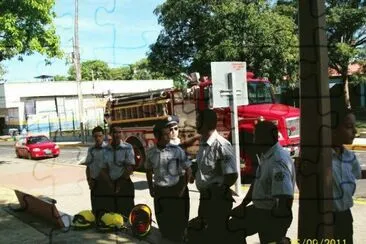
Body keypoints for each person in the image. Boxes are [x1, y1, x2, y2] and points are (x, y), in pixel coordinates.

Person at [228, 120, 295, 244]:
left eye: (257, 137)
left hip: (271, 215)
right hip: (260, 210)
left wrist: (278, 229)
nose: (254, 141)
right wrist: (243, 205)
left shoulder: (277, 161)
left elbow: (284, 198)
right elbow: (256, 182)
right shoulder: (266, 156)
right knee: (232, 228)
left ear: (268, 138)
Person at [187, 108, 238, 243]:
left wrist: (218, 191)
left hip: (217, 200)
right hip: (205, 199)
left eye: (199, 121)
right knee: (204, 234)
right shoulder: (204, 143)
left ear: (208, 123)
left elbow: (232, 174)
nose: (196, 123)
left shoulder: (221, 145)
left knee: (216, 236)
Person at [145, 119, 192, 242]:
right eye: (165, 134)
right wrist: (151, 187)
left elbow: (188, 169)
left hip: (175, 191)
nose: (169, 136)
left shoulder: (177, 150)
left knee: (178, 225)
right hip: (160, 192)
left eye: (169, 133)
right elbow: (148, 170)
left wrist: (182, 189)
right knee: (164, 225)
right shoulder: (151, 152)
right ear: (157, 136)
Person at [329, 95, 361, 244]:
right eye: (349, 127)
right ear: (332, 129)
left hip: (345, 216)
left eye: (354, 127)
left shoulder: (350, 157)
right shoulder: (322, 159)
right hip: (327, 218)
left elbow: (354, 182)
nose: (354, 132)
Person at [104, 125, 136, 219]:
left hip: (124, 184)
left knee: (126, 214)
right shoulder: (105, 149)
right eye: (114, 132)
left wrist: (118, 184)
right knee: (113, 215)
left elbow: (129, 167)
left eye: (119, 132)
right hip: (110, 185)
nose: (117, 135)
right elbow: (104, 168)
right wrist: (110, 184)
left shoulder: (128, 147)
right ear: (110, 134)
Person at [85, 126, 113, 221]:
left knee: (107, 209)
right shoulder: (91, 150)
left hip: (105, 183)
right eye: (95, 136)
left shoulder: (109, 149)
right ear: (93, 137)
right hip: (94, 184)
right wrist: (89, 181)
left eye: (100, 136)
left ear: (103, 136)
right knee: (96, 208)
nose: (98, 138)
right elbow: (88, 166)